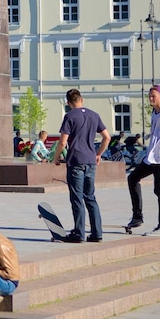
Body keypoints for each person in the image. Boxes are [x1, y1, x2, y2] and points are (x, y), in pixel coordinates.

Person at [51, 88, 110, 243]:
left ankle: (79, 233)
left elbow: (63, 142)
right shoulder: (94, 115)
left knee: (77, 198)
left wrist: (55, 158)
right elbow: (107, 137)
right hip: (91, 161)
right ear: (81, 99)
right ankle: (97, 233)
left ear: (69, 102)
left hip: (76, 161)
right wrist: (98, 154)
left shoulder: (69, 116)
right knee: (90, 197)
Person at [127, 85, 160, 236]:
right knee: (132, 178)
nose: (151, 98)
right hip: (151, 157)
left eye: (153, 96)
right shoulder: (154, 113)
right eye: (149, 96)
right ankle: (137, 216)